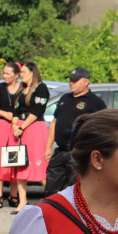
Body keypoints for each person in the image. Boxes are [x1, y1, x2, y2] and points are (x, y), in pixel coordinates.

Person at [43, 67, 105, 196]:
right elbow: (55, 122)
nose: (71, 83)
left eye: (75, 80)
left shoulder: (95, 102)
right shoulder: (65, 98)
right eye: (70, 80)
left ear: (86, 81)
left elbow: (101, 129)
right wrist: (48, 146)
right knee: (51, 188)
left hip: (79, 152)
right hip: (61, 151)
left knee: (76, 190)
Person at [10, 62, 49, 214]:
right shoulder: (21, 89)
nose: (21, 75)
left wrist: (22, 126)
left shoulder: (41, 88)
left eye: (24, 72)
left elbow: (37, 110)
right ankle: (22, 201)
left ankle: (51, 196)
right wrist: (14, 126)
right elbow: (15, 110)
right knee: (20, 164)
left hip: (34, 128)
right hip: (19, 129)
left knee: (39, 164)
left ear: (33, 72)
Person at [0, 63, 22, 209]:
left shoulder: (23, 88)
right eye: (4, 73)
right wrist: (4, 113)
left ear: (16, 75)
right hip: (0, 125)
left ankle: (13, 195)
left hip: (16, 126)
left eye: (8, 73)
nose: (4, 76)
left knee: (14, 159)